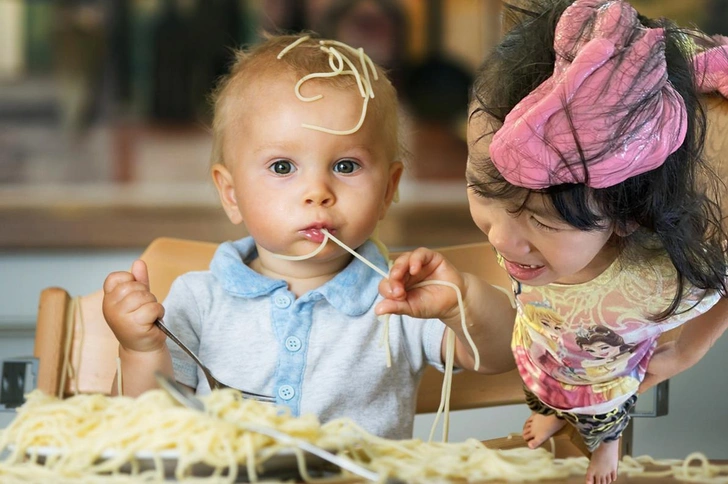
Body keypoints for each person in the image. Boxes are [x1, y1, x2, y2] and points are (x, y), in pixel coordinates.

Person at [377, 0, 728, 481]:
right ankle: (549, 409)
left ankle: (603, 445)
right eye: (483, 192)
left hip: (605, 374)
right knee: (537, 383)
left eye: (543, 220)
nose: (503, 240)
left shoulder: (660, 277)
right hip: (537, 346)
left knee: (604, 412)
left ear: (628, 214)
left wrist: (689, 349)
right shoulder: (524, 239)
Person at [100, 33, 507, 440]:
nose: (318, 191)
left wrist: (462, 303)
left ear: (387, 190)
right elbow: (148, 425)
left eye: (346, 166)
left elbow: (503, 353)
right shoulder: (198, 301)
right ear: (231, 193)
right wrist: (141, 350)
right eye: (282, 167)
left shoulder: (399, 298)